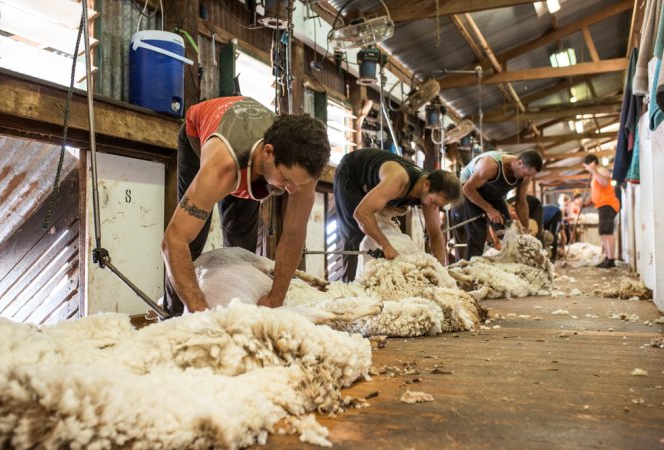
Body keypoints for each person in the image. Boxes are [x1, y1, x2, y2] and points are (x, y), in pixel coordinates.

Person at [162, 96, 331, 315]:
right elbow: (173, 241)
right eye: (287, 180)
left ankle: (240, 315)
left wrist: (275, 298)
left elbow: (294, 235)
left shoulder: (302, 170)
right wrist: (201, 313)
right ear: (269, 153)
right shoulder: (222, 167)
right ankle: (171, 314)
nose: (290, 190)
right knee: (192, 242)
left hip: (251, 154)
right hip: (200, 135)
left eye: (297, 184)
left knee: (241, 245)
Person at [334, 148, 462, 282]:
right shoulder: (398, 179)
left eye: (438, 206)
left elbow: (435, 234)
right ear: (426, 185)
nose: (433, 207)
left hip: (376, 187)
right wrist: (386, 247)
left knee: (386, 236)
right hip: (351, 175)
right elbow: (361, 213)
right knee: (355, 235)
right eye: (434, 202)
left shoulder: (429, 193)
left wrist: (441, 270)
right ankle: (348, 286)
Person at [452, 149, 542, 260]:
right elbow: (467, 189)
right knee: (478, 234)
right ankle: (470, 270)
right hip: (470, 191)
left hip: (493, 193)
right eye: (526, 174)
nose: (527, 177)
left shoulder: (526, 176)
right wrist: (489, 210)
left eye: (530, 175)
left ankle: (513, 265)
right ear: (520, 163)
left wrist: (526, 230)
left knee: (509, 230)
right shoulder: (491, 165)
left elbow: (521, 202)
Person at [583, 154, 621, 268]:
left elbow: (604, 183)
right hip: (602, 205)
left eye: (586, 166)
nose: (586, 169)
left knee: (607, 232)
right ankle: (607, 257)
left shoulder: (601, 170)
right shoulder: (595, 175)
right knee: (603, 232)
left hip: (608, 204)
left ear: (592, 163)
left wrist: (594, 170)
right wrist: (585, 203)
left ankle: (611, 260)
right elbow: (595, 192)